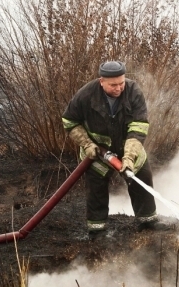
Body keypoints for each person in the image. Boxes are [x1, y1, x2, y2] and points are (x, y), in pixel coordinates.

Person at [62, 61, 171, 239]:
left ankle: (147, 221)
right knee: (96, 188)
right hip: (96, 152)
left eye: (121, 83)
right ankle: (97, 230)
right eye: (113, 85)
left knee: (141, 177)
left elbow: (139, 126)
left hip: (128, 147)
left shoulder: (133, 91)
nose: (119, 88)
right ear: (101, 81)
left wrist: (129, 157)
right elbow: (69, 121)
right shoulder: (86, 95)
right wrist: (87, 144)